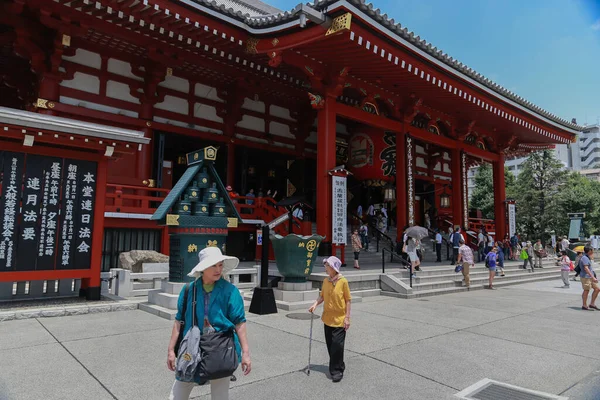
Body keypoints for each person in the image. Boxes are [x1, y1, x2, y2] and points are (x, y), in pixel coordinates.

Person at [167, 247, 251, 400]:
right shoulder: (188, 290)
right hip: (191, 348)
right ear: (203, 268)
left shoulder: (230, 291)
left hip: (221, 347)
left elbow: (240, 323)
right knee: (177, 394)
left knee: (220, 395)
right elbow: (179, 321)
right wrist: (171, 350)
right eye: (213, 265)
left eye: (220, 265)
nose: (218, 269)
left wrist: (245, 353)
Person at [308, 256, 352, 383]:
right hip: (327, 318)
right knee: (330, 345)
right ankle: (339, 364)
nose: (325, 268)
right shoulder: (325, 281)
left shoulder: (343, 282)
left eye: (327, 266)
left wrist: (347, 318)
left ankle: (337, 371)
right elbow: (322, 296)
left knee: (337, 346)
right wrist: (314, 304)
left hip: (340, 319)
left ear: (333, 268)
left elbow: (348, 300)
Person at [578, 246, 599, 311]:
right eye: (592, 250)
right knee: (586, 290)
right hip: (586, 277)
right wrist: (593, 277)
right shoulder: (584, 258)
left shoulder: (587, 257)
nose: (593, 251)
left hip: (590, 277)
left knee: (597, 289)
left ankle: (592, 304)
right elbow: (586, 268)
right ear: (589, 250)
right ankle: (584, 305)